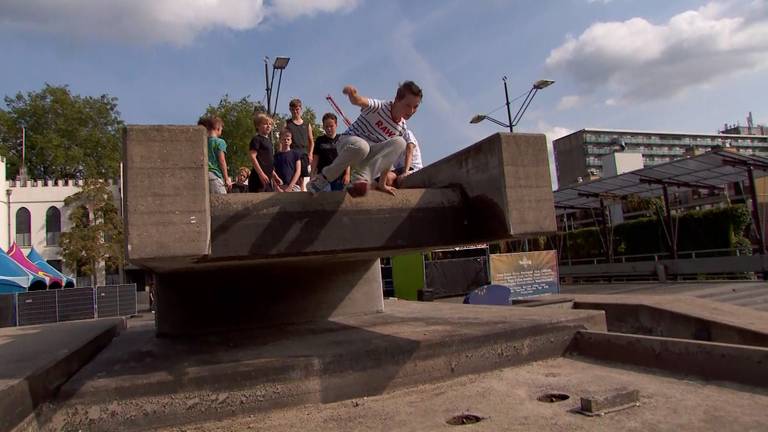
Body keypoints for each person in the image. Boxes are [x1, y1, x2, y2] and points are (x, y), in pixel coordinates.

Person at [307, 81, 423, 197]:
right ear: (397, 99)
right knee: (362, 147)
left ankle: (358, 180)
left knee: (400, 143)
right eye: (408, 105)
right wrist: (353, 95)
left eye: (415, 107)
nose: (411, 111)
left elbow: (388, 158)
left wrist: (382, 184)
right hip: (348, 142)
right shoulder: (380, 106)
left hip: (368, 154)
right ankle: (323, 179)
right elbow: (359, 101)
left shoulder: (401, 128)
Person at [311, 112, 350, 191]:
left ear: (336, 125)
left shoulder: (342, 139)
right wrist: (312, 174)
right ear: (323, 127)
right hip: (323, 177)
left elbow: (347, 159)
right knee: (323, 201)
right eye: (326, 126)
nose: (329, 128)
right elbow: (315, 159)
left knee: (337, 201)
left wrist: (347, 174)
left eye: (331, 126)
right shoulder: (319, 140)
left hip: (339, 178)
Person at [285, 99, 314, 191]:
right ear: (290, 110)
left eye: (297, 109)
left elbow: (311, 141)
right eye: (293, 109)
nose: (295, 111)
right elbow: (282, 140)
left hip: (304, 154)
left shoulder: (307, 124)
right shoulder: (287, 124)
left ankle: (302, 192)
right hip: (292, 153)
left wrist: (310, 154)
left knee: (303, 177)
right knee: (292, 176)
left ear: (300, 109)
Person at [248, 113, 277, 193]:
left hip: (267, 179)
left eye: (270, 124)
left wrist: (275, 176)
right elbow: (252, 157)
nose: (268, 126)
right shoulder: (256, 139)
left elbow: (268, 161)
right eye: (265, 124)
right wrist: (261, 174)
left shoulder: (269, 142)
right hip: (258, 178)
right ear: (257, 126)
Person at [204, 116, 232, 194]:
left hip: (204, 175)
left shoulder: (203, 142)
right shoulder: (220, 142)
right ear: (218, 128)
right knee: (223, 200)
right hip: (214, 174)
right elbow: (222, 160)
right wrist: (226, 178)